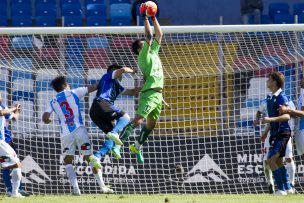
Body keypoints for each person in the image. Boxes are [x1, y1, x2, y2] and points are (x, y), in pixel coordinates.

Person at [110, 3, 164, 164]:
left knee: (151, 125)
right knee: (138, 120)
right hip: (150, 93)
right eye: (143, 44)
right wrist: (145, 18)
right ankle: (117, 144)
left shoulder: (153, 51)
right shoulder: (143, 56)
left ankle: (137, 146)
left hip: (158, 93)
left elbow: (159, 35)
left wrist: (154, 18)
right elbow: (149, 36)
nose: (148, 42)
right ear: (139, 50)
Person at [42, 76, 113, 195]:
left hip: (66, 134)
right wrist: (106, 79)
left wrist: (48, 121)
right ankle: (103, 187)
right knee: (90, 158)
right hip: (79, 131)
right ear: (65, 85)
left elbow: (45, 118)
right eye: (68, 83)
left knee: (68, 161)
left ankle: (76, 190)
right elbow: (94, 87)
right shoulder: (74, 92)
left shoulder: (53, 101)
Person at [88, 64, 140, 163]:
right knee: (126, 117)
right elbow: (123, 69)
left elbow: (132, 92)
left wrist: (147, 87)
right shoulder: (109, 76)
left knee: (112, 140)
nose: (121, 76)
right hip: (102, 103)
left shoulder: (117, 85)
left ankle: (97, 156)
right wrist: (133, 71)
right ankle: (114, 133)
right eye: (119, 74)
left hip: (95, 112)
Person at [256, 72, 292, 195]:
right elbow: (269, 117)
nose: (267, 81)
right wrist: (266, 131)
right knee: (278, 161)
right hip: (275, 133)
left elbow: (287, 116)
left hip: (283, 133)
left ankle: (281, 190)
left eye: (269, 79)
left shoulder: (282, 97)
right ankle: (287, 188)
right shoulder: (270, 98)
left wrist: (270, 119)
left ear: (275, 82)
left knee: (271, 160)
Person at [254, 99, 296, 194]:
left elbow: (292, 114)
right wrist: (258, 121)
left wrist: (287, 110)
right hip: (271, 134)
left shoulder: (286, 100)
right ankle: (270, 185)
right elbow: (259, 112)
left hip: (284, 132)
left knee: (288, 158)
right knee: (267, 161)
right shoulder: (266, 101)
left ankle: (290, 185)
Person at [0, 93, 24, 198]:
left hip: (4, 141)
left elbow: (14, 118)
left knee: (10, 164)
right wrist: (13, 107)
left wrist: (17, 110)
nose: (0, 96)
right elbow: (1, 113)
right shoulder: (3, 109)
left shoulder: (3, 106)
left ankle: (15, 191)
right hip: (1, 141)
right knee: (16, 164)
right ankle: (14, 192)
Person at [280, 78, 304, 159]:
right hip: (299, 129)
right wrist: (288, 111)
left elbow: (303, 113)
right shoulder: (302, 94)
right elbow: (298, 113)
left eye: (302, 78)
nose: (300, 80)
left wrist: (288, 110)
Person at [3, 127, 30, 197]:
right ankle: (15, 191)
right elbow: (14, 117)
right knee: (15, 164)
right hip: (3, 144)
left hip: (4, 143)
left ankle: (12, 190)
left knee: (7, 165)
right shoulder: (2, 125)